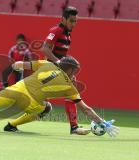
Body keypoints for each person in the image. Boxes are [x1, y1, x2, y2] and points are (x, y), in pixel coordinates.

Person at [0, 56, 119, 137]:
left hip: (15, 89)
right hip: (29, 103)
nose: (75, 75)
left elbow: (19, 64)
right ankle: (11, 125)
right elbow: (85, 109)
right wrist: (102, 122)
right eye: (75, 71)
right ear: (69, 69)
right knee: (47, 108)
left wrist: (14, 70)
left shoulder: (46, 64)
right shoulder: (70, 86)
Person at [41, 6, 87, 135]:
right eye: (71, 21)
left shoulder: (68, 34)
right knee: (36, 103)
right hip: (50, 70)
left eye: (76, 21)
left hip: (59, 71)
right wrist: (59, 62)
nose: (74, 24)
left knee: (71, 93)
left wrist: (67, 71)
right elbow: (45, 49)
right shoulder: (56, 30)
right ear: (63, 19)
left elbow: (62, 55)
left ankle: (74, 127)